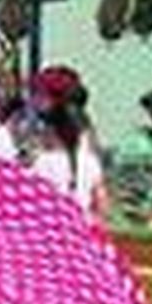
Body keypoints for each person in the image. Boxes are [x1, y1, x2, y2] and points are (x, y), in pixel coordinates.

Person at [28, 67, 108, 222]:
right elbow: (100, 199)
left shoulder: (47, 157)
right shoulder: (86, 138)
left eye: (39, 94)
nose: (35, 100)